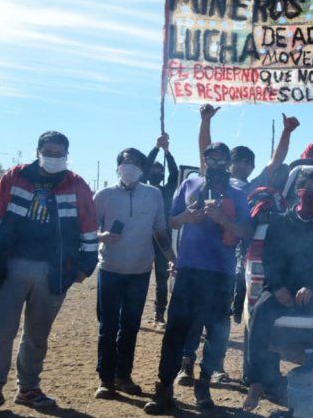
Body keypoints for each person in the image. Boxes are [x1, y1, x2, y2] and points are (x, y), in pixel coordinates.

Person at [0, 131, 98, 417]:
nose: (54, 158)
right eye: (48, 152)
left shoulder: (77, 185)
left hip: (54, 273)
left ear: (67, 154)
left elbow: (88, 225)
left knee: (37, 335)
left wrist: (85, 267)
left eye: (59, 153)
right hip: (9, 266)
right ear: (38, 151)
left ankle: (28, 388)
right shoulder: (14, 177)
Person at [177, 107, 298, 385]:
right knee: (194, 315)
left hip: (230, 260)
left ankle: (215, 366)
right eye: (237, 161)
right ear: (227, 164)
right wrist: (205, 121)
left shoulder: (251, 187)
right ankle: (186, 364)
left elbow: (276, 163)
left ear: (252, 167)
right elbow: (204, 150)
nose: (241, 166)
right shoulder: (212, 179)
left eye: (247, 162)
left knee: (219, 318)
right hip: (199, 258)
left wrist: (286, 132)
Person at [143, 141, 252, 414]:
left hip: (221, 273)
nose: (214, 163)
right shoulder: (190, 184)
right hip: (189, 270)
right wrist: (186, 218)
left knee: (216, 333)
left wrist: (223, 220)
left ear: (227, 162)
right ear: (204, 160)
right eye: (210, 158)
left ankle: (203, 386)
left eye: (219, 159)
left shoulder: (238, 192)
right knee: (175, 330)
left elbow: (246, 230)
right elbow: (171, 220)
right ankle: (164, 388)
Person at [242, 170, 313, 412]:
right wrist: (277, 288)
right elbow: (269, 257)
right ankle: (256, 382)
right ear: (297, 192)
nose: (311, 194)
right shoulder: (279, 221)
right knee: (259, 313)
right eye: (306, 188)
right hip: (282, 289)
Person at [93, 148, 176, 399]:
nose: (129, 166)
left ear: (143, 168)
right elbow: (85, 230)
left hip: (140, 272)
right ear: (117, 166)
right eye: (125, 162)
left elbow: (160, 231)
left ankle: (123, 376)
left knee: (130, 326)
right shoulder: (104, 195)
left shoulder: (154, 195)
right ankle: (106, 380)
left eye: (135, 163)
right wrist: (102, 236)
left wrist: (172, 257)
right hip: (109, 269)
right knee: (108, 327)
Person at [144, 133, 179, 325]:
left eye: (160, 170)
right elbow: (145, 166)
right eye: (153, 170)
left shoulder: (166, 191)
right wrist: (156, 148)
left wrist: (167, 152)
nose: (156, 171)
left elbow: (174, 173)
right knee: (138, 277)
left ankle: (159, 312)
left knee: (161, 279)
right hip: (141, 239)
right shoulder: (141, 189)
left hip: (162, 240)